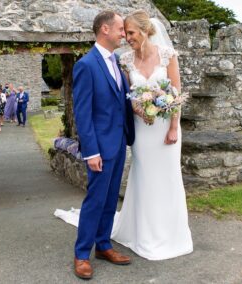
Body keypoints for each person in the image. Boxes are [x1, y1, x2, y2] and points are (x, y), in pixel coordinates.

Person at [111, 9, 193, 261]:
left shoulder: (167, 55)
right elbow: (127, 96)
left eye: (132, 32)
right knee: (145, 177)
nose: (128, 38)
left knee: (168, 178)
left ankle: (171, 234)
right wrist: (137, 107)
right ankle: (144, 233)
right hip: (142, 131)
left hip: (166, 128)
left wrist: (172, 127)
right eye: (125, 33)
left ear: (146, 31)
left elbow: (176, 94)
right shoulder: (125, 60)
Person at [70, 11, 135, 279]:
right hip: (100, 148)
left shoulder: (117, 61)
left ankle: (104, 245)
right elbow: (82, 113)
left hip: (119, 143)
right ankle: (82, 254)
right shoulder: (86, 64)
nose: (124, 33)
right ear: (105, 30)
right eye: (121, 29)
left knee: (110, 199)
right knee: (95, 200)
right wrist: (92, 152)